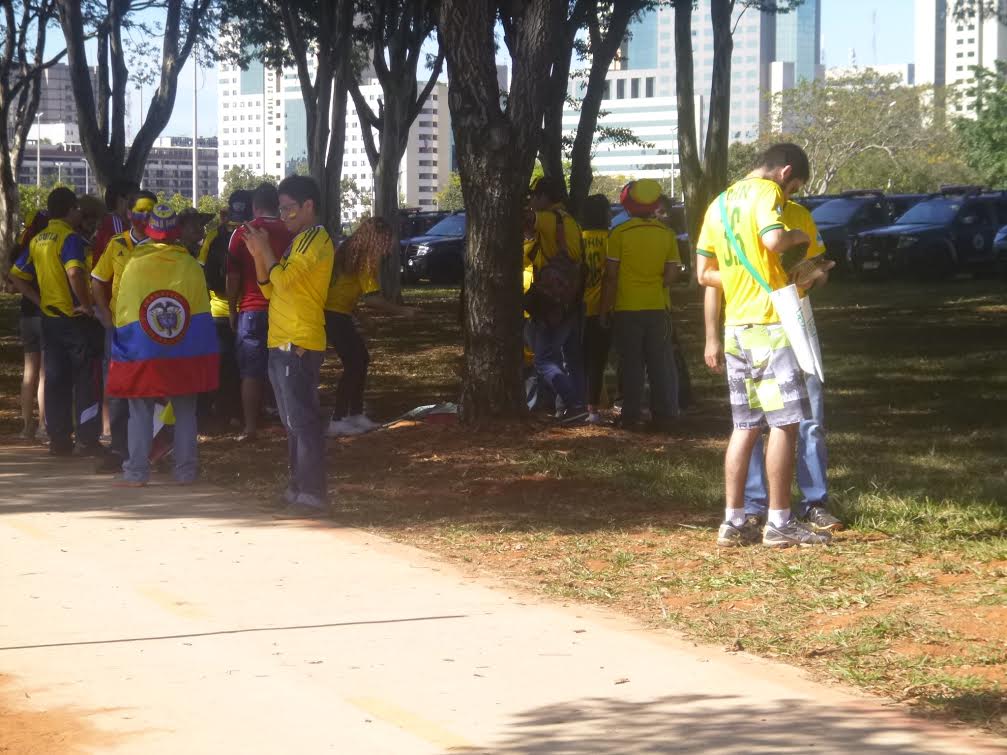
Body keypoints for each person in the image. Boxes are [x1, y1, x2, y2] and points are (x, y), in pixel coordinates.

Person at [695, 142, 830, 548]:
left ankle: (733, 521)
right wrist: (798, 234)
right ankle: (779, 521)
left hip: (737, 327)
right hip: (770, 327)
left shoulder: (718, 203)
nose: (789, 197)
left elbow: (705, 274)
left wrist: (742, 280)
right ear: (785, 172)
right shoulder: (767, 192)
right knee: (785, 426)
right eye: (794, 188)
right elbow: (773, 240)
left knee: (744, 427)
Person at [722, 199, 842, 534]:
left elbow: (818, 269)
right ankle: (757, 505)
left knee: (809, 418)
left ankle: (815, 502)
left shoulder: (799, 217)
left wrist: (807, 278)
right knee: (756, 420)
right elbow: (713, 274)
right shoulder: (742, 214)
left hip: (793, 323)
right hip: (756, 329)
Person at [106, 204, 219, 486]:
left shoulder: (134, 264)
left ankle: (136, 473)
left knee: (140, 411)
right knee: (185, 410)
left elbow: (124, 310)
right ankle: (186, 472)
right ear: (175, 233)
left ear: (151, 231)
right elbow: (200, 312)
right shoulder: (190, 265)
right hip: (184, 351)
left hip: (143, 350)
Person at [243, 175, 334, 519]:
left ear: (308, 206)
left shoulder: (315, 239)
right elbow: (269, 288)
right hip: (280, 340)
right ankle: (298, 488)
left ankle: (312, 494)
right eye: (281, 209)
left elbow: (283, 280)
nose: (283, 216)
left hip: (299, 340)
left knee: (303, 421)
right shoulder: (296, 242)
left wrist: (266, 251)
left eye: (289, 209)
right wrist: (257, 255)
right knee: (292, 422)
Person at [9, 187, 102, 456]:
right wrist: (86, 305)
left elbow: (15, 275)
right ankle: (88, 438)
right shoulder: (69, 238)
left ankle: (59, 439)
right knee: (86, 380)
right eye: (78, 210)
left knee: (55, 380)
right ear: (71, 209)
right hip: (75, 321)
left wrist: (39, 300)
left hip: (50, 319)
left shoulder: (38, 239)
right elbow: (74, 272)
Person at [599, 179, 683, 432]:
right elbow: (671, 275)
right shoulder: (666, 235)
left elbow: (611, 276)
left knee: (632, 364)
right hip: (658, 307)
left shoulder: (619, 235)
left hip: (627, 308)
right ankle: (665, 415)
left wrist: (605, 309)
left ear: (628, 204)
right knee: (659, 362)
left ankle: (631, 415)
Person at [324, 217, 416, 437]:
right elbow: (371, 298)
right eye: (386, 241)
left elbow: (345, 290)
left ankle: (354, 414)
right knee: (355, 362)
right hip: (334, 315)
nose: (388, 248)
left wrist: (361, 317)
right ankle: (338, 419)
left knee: (359, 360)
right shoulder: (366, 258)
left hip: (335, 313)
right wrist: (403, 311)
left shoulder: (349, 251)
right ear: (378, 240)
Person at [91, 191, 157, 471]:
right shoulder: (116, 244)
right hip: (120, 330)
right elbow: (96, 279)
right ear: (128, 213)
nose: (144, 218)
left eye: (149, 212)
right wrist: (105, 313)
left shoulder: (162, 246)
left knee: (154, 387)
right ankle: (119, 448)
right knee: (118, 388)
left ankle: (153, 449)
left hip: (153, 331)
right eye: (139, 211)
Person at [226, 183, 293, 441]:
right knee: (285, 368)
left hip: (251, 310)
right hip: (283, 309)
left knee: (250, 372)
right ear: (277, 205)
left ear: (254, 206)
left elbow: (233, 276)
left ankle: (250, 427)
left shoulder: (242, 232)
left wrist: (232, 309)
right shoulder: (289, 230)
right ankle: (289, 425)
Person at [524, 175, 588, 424]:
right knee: (572, 356)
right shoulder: (571, 221)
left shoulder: (550, 219)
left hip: (553, 299)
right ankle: (579, 405)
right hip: (572, 297)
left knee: (543, 359)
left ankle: (573, 403)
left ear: (544, 197)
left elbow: (525, 218)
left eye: (533, 196)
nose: (531, 202)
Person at [197, 192, 248, 430]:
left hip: (217, 309)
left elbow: (201, 271)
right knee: (245, 366)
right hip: (247, 309)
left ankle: (222, 413)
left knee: (223, 365)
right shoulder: (253, 233)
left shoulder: (213, 236)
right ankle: (243, 413)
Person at [10, 209, 50, 441]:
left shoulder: (24, 250)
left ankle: (26, 426)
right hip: (44, 315)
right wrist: (42, 301)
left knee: (29, 372)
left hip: (26, 316)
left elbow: (13, 280)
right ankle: (43, 425)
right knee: (44, 373)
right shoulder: (47, 248)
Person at [580, 194, 612, 424]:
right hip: (605, 306)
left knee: (578, 358)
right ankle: (593, 408)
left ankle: (577, 402)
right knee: (598, 360)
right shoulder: (611, 240)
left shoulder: (578, 238)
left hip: (579, 306)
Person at [92, 180, 139, 267]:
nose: (137, 204)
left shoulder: (123, 222)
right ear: (120, 200)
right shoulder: (113, 224)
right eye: (132, 199)